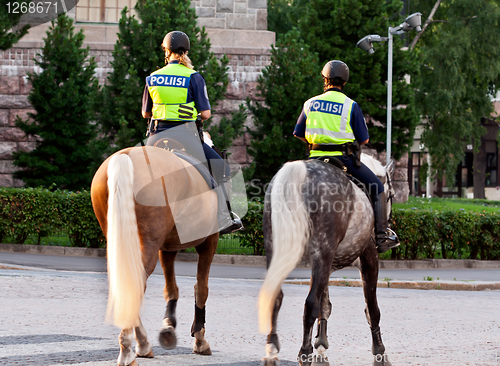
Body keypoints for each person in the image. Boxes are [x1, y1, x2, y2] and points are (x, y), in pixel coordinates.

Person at [142, 30, 242, 235]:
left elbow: (145, 113)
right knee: (221, 168)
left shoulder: (152, 77)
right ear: (186, 52)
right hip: (186, 137)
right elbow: (205, 114)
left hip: (156, 137)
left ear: (166, 51)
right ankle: (223, 219)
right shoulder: (193, 77)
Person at [293, 60, 399, 253]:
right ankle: (382, 238)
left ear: (325, 79)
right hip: (343, 160)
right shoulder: (351, 105)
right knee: (377, 187)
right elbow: (364, 140)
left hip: (314, 160)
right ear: (345, 82)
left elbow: (298, 133)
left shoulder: (310, 103)